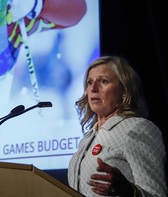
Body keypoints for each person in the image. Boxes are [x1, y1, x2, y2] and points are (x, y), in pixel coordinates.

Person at [67, 56, 167, 196]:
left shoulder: (138, 128)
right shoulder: (87, 139)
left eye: (103, 81)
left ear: (124, 91)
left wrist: (130, 191)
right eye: (90, 82)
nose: (94, 88)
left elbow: (156, 194)